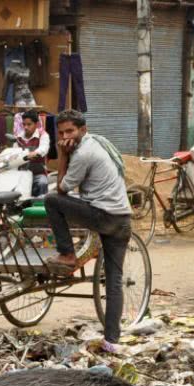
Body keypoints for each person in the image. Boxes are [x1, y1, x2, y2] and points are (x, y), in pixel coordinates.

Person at [44, 109, 132, 352]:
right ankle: (112, 341)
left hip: (104, 215)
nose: (65, 136)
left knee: (51, 200)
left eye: (70, 131)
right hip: (122, 218)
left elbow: (62, 188)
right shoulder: (97, 142)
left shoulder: (83, 153)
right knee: (114, 281)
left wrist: (62, 155)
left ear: (83, 130)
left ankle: (67, 254)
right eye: (61, 133)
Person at [16, 109, 51, 197]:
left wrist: (35, 153)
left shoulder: (43, 135)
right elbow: (14, 151)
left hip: (38, 174)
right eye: (24, 124)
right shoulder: (18, 137)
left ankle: (41, 207)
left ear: (36, 124)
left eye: (29, 124)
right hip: (21, 174)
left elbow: (44, 148)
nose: (26, 127)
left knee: (42, 183)